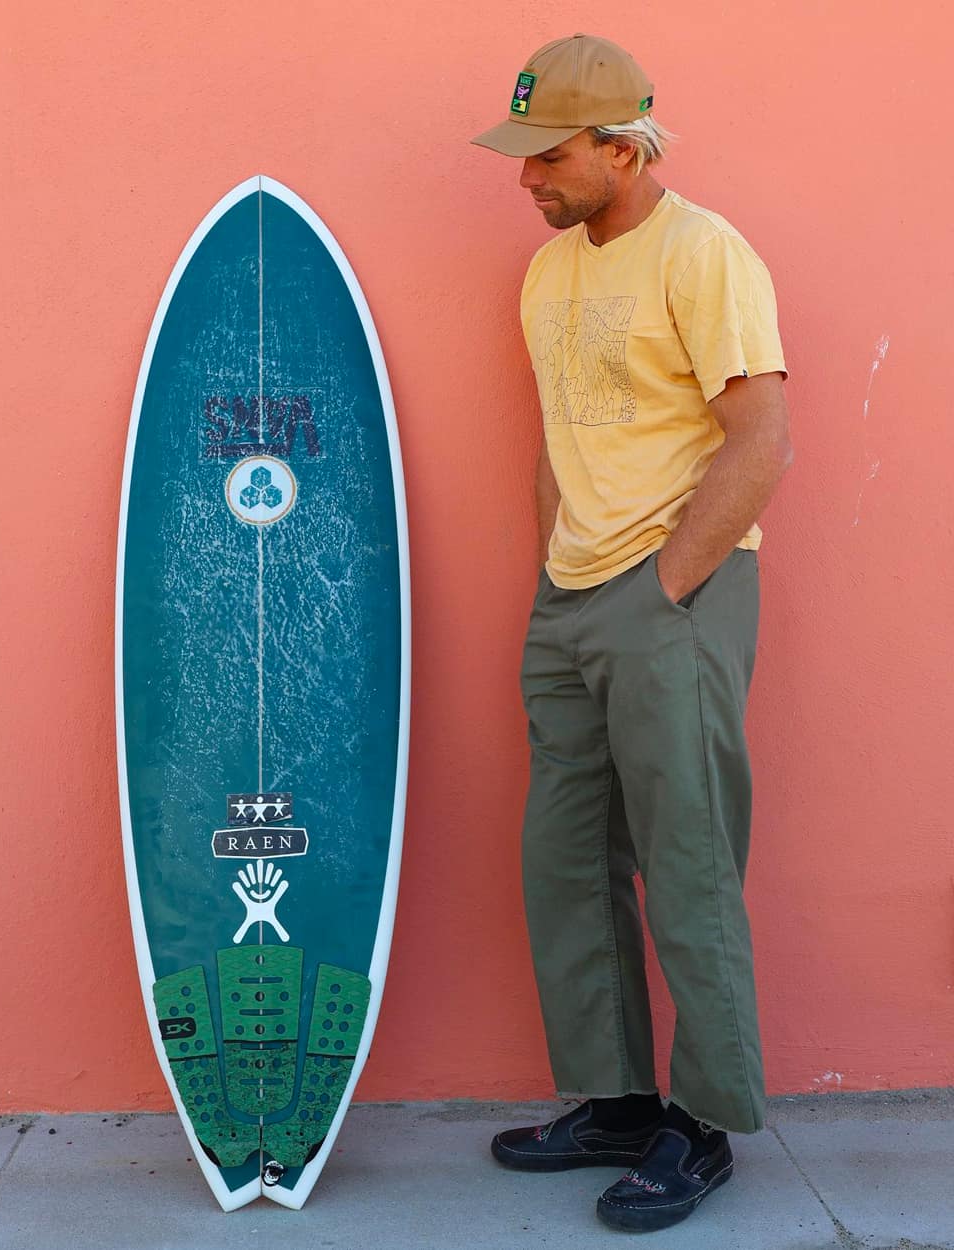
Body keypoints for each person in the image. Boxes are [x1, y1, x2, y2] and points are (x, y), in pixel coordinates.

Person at [471, 34, 792, 1234]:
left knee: (688, 857)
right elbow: (559, 441)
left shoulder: (704, 254)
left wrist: (662, 589)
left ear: (623, 145)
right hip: (571, 598)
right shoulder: (547, 273)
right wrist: (556, 581)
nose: (527, 180)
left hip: (677, 593)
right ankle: (615, 1097)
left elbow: (760, 442)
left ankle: (700, 1124)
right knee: (565, 858)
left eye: (547, 156)